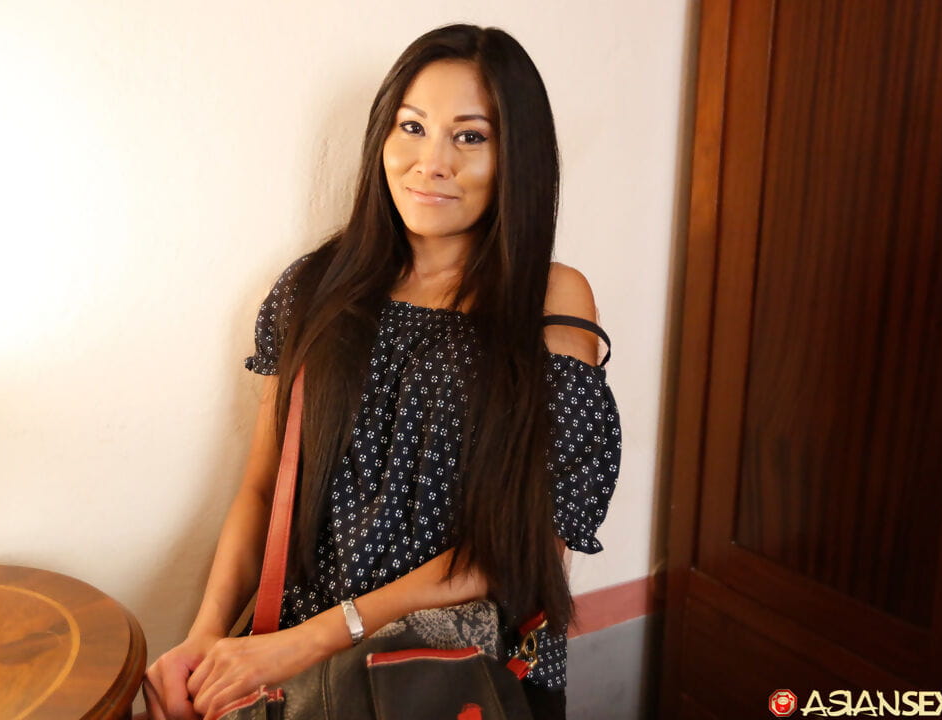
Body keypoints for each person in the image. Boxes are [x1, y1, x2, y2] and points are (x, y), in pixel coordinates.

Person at [144, 23, 621, 720]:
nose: (432, 162)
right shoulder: (314, 288)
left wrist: (311, 640)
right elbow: (262, 489)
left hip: (457, 673)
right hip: (299, 671)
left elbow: (527, 543)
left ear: (516, 157)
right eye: (413, 127)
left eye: (470, 136)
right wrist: (207, 638)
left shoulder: (548, 300)